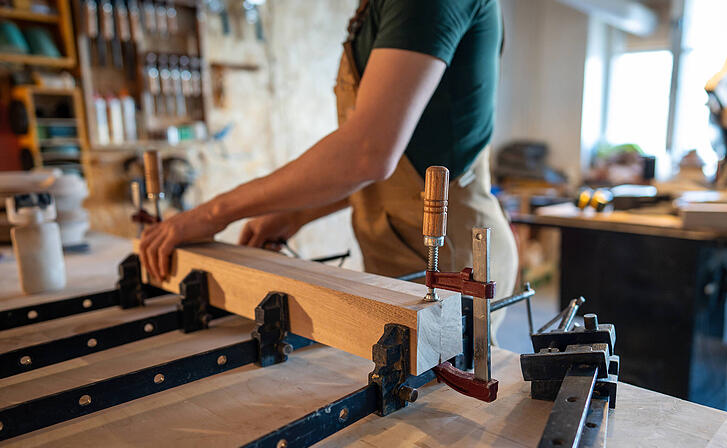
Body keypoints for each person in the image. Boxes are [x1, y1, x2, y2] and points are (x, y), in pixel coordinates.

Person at [139, 0, 518, 336]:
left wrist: (213, 212)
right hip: (398, 262)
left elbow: (368, 152)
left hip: (452, 259)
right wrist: (296, 213)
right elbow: (394, 161)